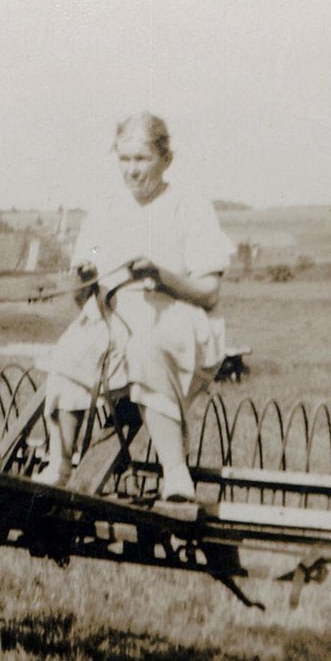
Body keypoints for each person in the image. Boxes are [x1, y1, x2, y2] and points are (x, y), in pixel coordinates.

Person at [33, 112, 234, 502]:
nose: (132, 170)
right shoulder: (106, 209)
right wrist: (85, 277)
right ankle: (58, 464)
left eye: (141, 159)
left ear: (165, 160)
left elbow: (209, 292)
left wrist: (162, 277)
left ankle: (175, 474)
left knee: (146, 348)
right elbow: (83, 288)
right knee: (70, 350)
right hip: (113, 316)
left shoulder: (187, 207)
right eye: (124, 160)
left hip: (175, 315)